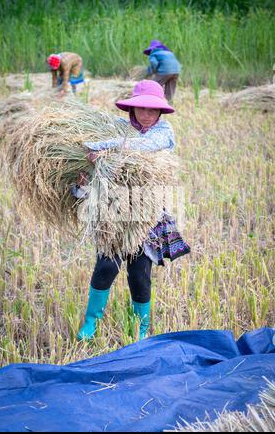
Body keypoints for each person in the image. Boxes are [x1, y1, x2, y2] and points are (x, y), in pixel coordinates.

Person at [72, 80, 190, 342]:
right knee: (105, 268)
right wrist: (80, 184)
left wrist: (102, 147)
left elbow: (140, 148)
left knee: (139, 275)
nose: (146, 114)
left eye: (152, 109)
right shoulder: (122, 130)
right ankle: (91, 322)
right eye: (141, 108)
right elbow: (92, 183)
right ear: (132, 109)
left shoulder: (163, 134)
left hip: (147, 216)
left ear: (160, 112)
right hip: (114, 214)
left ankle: (140, 328)